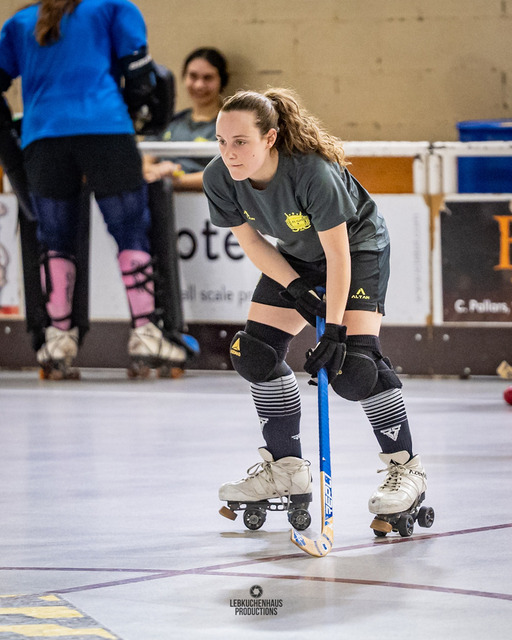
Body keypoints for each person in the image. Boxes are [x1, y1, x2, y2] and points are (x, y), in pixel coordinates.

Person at [203, 88, 428, 528]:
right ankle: (286, 469)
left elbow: (340, 256)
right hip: (299, 258)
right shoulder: (219, 177)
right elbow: (252, 241)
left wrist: (335, 331)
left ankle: (406, 469)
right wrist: (295, 287)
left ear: (270, 138)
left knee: (356, 366)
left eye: (241, 141)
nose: (229, 153)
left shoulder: (312, 173)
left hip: (357, 250)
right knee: (255, 353)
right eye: (222, 141)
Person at [0, 0, 186, 376]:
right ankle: (146, 333)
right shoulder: (114, 7)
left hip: (43, 137)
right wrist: (136, 113)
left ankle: (58, 339)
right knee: (130, 231)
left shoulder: (19, 22)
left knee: (55, 239)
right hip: (105, 129)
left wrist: (9, 135)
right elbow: (140, 74)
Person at [143, 47, 229, 191]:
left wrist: (176, 180)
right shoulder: (169, 122)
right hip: (163, 200)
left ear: (222, 80)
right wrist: (158, 170)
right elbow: (143, 163)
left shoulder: (230, 126)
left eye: (208, 78)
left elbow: (227, 174)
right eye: (193, 76)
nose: (199, 85)